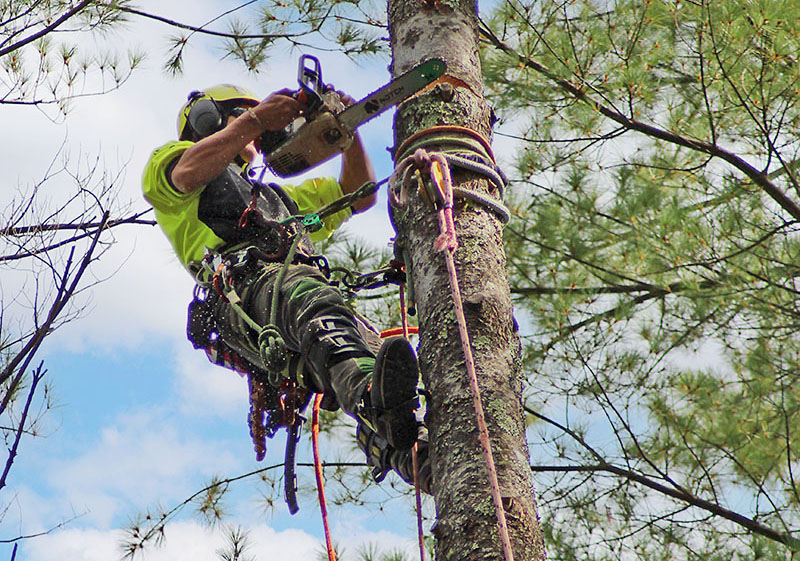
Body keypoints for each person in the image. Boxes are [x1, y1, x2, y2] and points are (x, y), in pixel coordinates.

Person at [142, 83, 430, 492]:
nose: (255, 133)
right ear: (208, 119)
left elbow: (359, 192)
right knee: (309, 300)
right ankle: (374, 400)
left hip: (288, 306)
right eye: (239, 116)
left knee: (355, 344)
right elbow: (188, 174)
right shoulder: (171, 162)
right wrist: (256, 118)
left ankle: (412, 453)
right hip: (246, 293)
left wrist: (345, 133)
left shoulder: (278, 197)